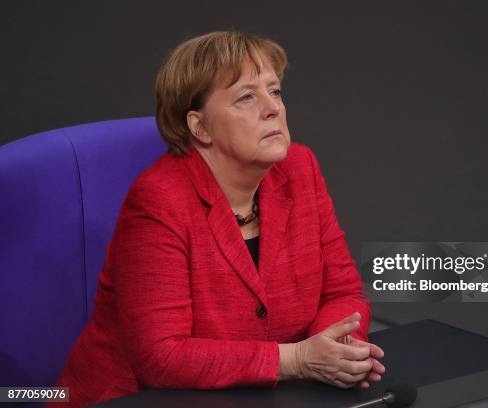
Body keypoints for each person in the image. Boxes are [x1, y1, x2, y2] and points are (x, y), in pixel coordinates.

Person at [51, 31, 385, 406]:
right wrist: (297, 359)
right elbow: (162, 358)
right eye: (246, 97)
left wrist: (334, 349)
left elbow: (342, 293)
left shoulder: (300, 169)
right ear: (200, 127)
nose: (273, 107)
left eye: (274, 91)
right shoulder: (159, 200)